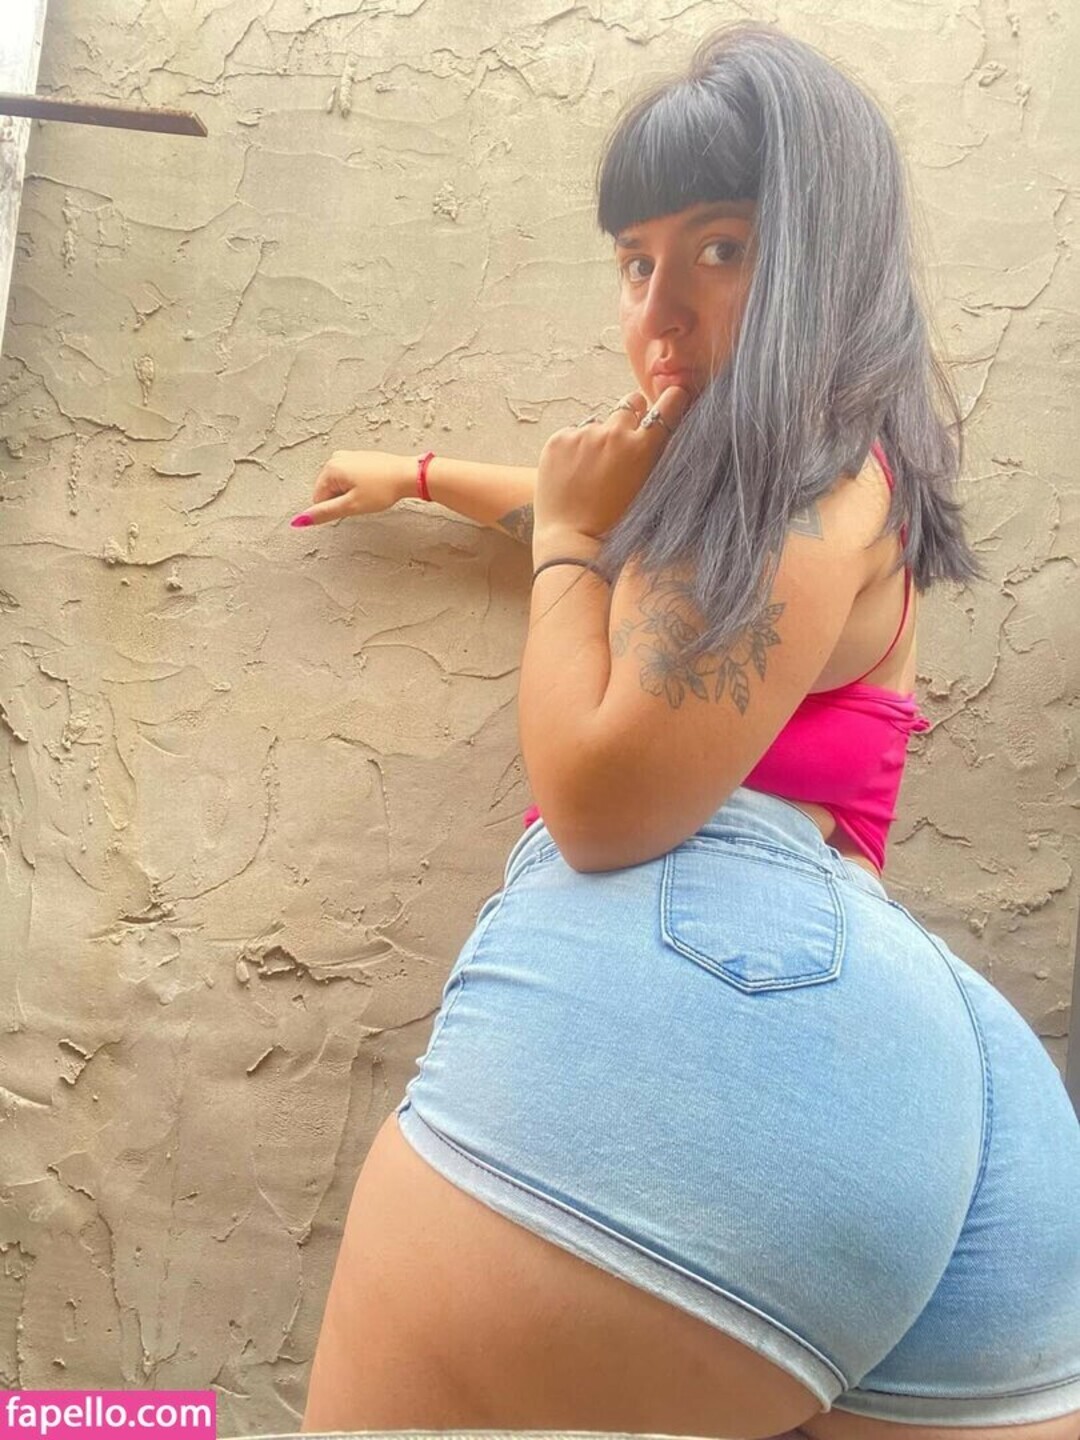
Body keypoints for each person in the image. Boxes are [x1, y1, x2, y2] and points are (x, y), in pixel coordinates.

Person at [291, 22, 1080, 1440]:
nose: (660, 313)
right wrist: (423, 474)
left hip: (696, 998)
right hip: (957, 1107)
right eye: (635, 262)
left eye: (721, 249)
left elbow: (603, 801)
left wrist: (568, 547)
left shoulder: (781, 468)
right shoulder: (838, 476)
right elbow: (595, 504)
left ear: (824, 253)